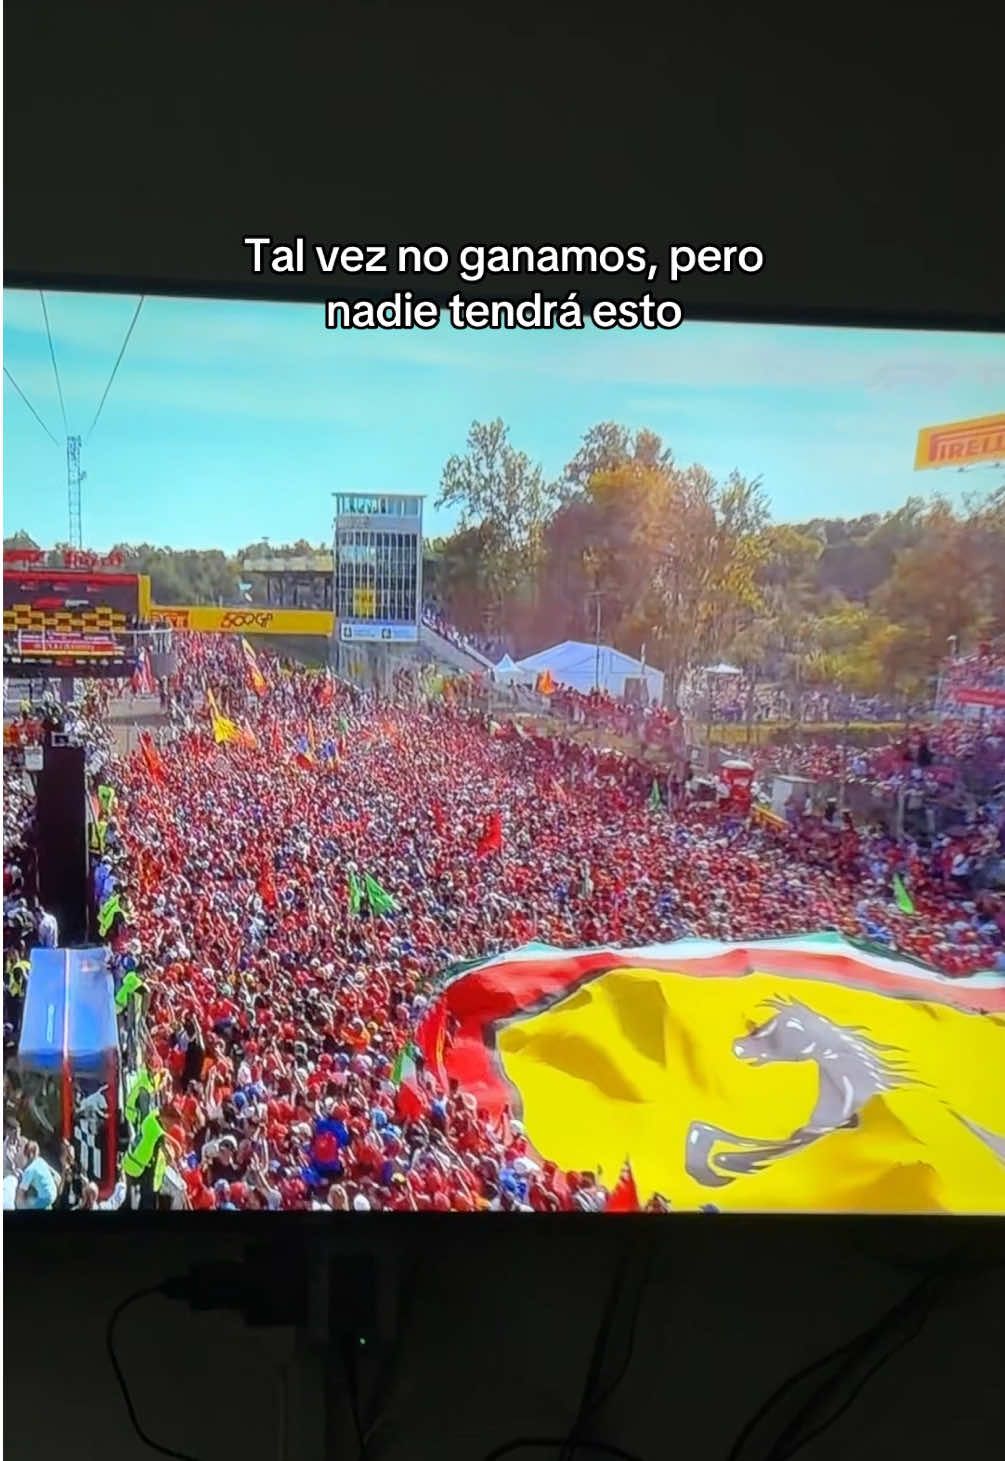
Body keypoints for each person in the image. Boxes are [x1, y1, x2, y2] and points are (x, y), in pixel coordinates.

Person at [15, 1139, 60, 1210]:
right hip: (54, 1194)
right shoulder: (41, 1161)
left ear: (28, 1154)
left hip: (45, 1198)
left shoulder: (30, 1170)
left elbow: (21, 1192)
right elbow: (56, 1176)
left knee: (27, 1202)